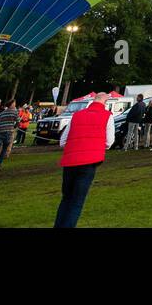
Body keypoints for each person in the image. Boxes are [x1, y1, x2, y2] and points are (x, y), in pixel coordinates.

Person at [54, 92, 115, 228]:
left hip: (71, 161)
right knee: (76, 202)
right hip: (89, 161)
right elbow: (109, 142)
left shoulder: (77, 115)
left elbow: (63, 141)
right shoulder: (107, 116)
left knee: (66, 199)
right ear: (105, 103)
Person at [0, 98, 19, 171]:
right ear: (11, 104)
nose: (15, 105)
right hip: (8, 132)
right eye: (14, 103)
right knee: (4, 149)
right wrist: (14, 127)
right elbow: (18, 122)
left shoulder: (1, 113)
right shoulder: (14, 112)